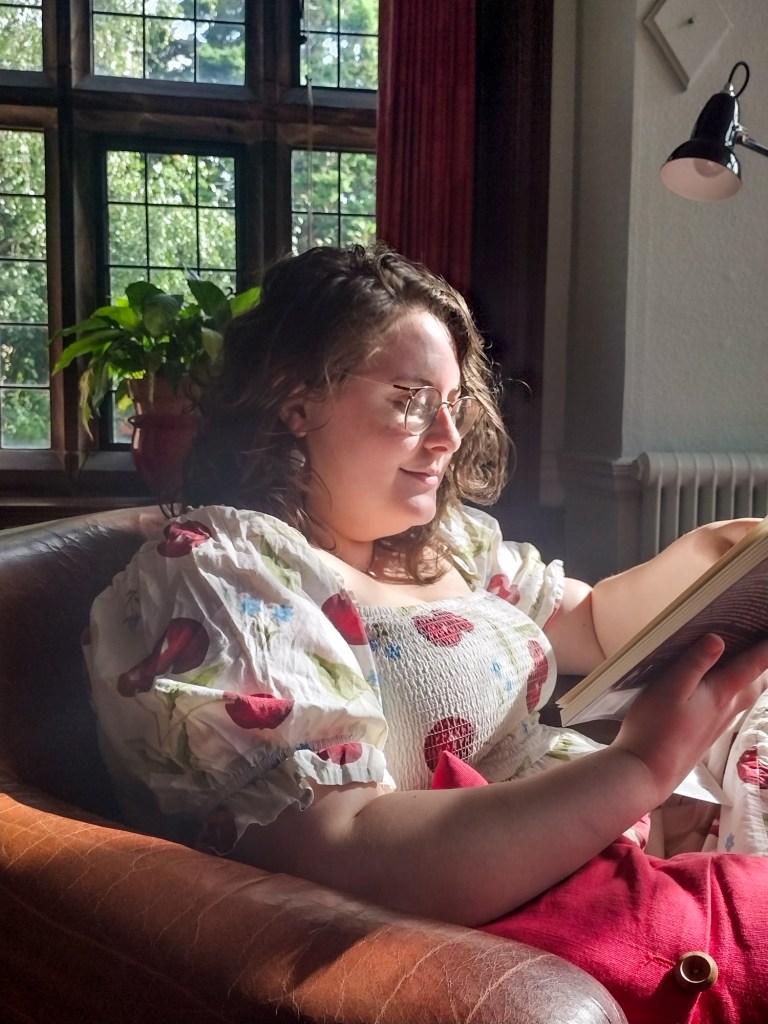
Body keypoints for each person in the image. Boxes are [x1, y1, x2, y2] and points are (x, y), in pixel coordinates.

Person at [87, 244, 768, 1023]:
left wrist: (718, 556)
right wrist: (638, 767)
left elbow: (587, 623)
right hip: (521, 941)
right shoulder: (226, 571)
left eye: (453, 402)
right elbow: (346, 851)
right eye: (411, 401)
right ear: (296, 400)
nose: (447, 436)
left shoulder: (444, 546)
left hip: (619, 862)